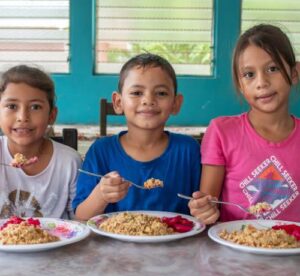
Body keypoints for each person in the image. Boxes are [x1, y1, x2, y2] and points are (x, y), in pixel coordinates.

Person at [189, 24, 300, 224]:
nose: (262, 82)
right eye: (249, 74)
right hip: (233, 249)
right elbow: (209, 203)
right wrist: (204, 209)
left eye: (272, 69)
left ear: (294, 73)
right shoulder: (222, 131)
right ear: (240, 84)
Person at [73, 53, 201, 220]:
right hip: (114, 244)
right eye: (137, 92)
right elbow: (81, 217)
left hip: (176, 243)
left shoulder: (188, 150)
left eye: (161, 93)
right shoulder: (101, 151)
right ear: (118, 102)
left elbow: (203, 204)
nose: (148, 100)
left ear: (175, 104)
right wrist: (101, 196)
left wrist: (205, 208)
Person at [0, 65, 81, 219]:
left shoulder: (69, 162)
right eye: (12, 106)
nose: (23, 117)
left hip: (57, 241)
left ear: (51, 115)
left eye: (35, 107)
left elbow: (79, 222)